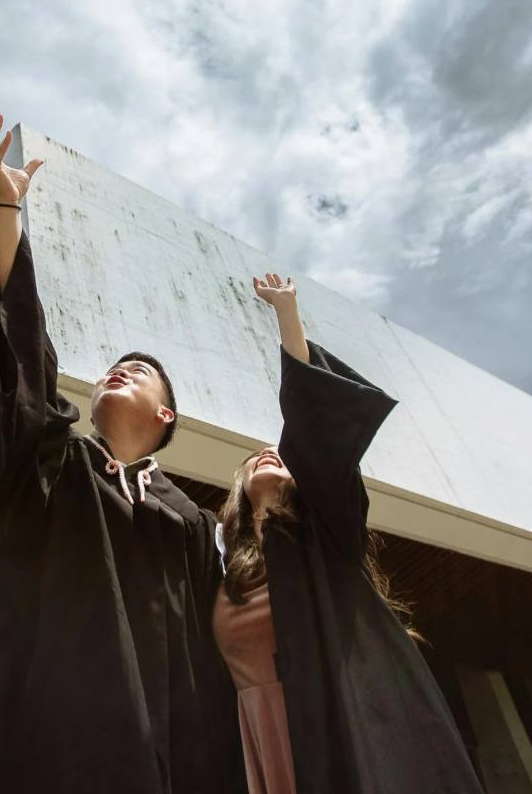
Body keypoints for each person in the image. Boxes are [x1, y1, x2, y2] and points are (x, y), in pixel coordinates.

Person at [0, 110, 242, 794]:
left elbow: (215, 655)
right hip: (51, 748)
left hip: (172, 757)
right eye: (111, 369)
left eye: (137, 371)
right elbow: (20, 352)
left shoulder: (193, 525)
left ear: (166, 415)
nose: (116, 371)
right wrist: (8, 209)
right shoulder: (53, 465)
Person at [213, 273, 485, 794]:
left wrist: (287, 315)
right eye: (255, 459)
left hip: (341, 724)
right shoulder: (221, 563)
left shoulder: (326, 532)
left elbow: (314, 426)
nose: (268, 454)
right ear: (239, 486)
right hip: (260, 736)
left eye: (279, 454)